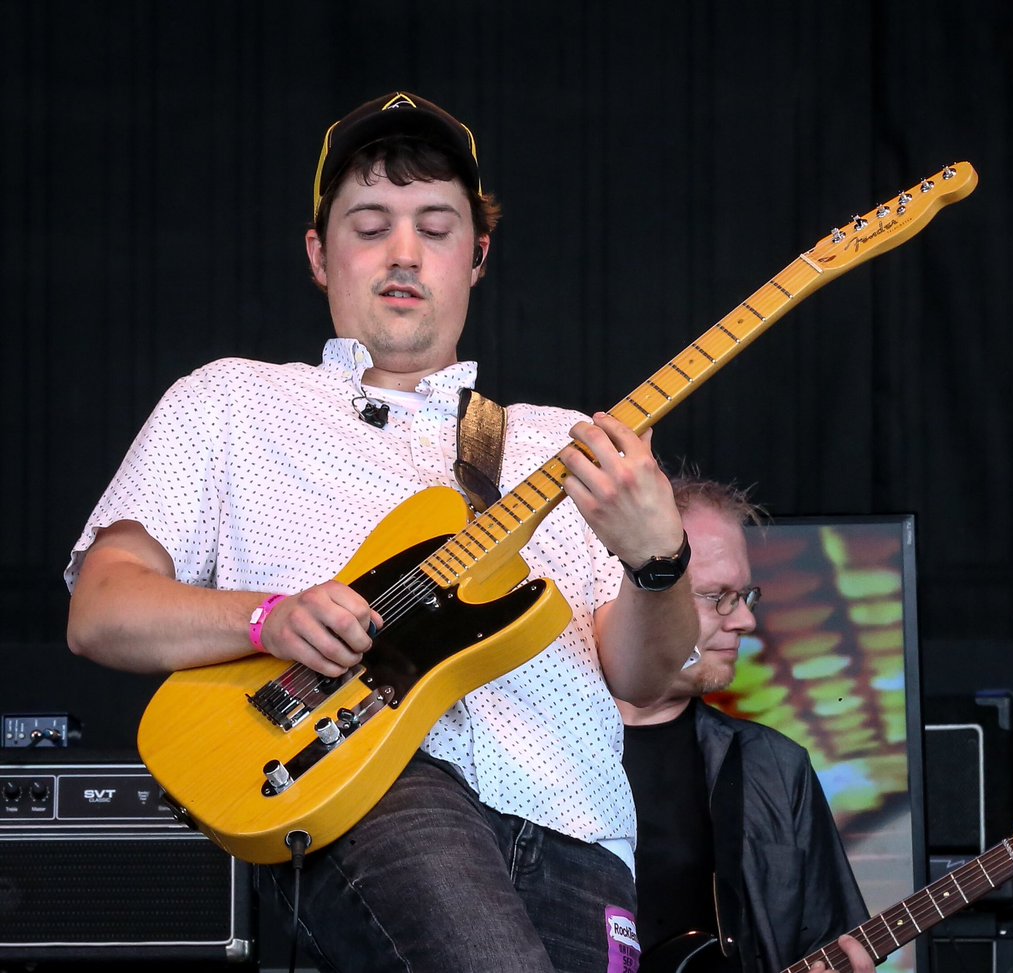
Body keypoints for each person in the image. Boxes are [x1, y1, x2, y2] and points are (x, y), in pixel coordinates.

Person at [64, 91, 699, 973]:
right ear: (320, 255)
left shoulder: (566, 444)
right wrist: (266, 618)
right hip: (367, 783)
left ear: (477, 257)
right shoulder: (232, 401)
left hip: (577, 821)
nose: (404, 252)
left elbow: (642, 670)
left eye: (436, 228)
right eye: (371, 225)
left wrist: (658, 561)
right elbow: (100, 606)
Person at [619, 473, 874, 973]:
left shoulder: (775, 767)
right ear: (637, 591)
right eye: (716, 596)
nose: (745, 621)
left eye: (745, 596)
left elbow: (828, 940)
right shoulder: (531, 748)